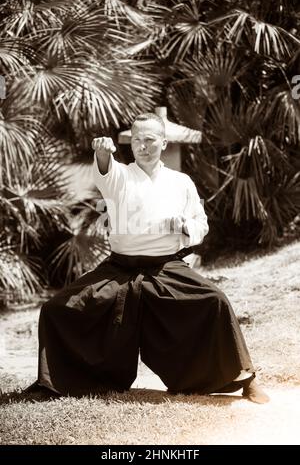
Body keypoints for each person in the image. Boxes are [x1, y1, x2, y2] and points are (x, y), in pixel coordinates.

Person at [30, 113, 269, 403]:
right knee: (56, 309)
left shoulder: (181, 182)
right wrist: (103, 153)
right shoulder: (120, 176)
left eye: (149, 140)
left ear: (164, 142)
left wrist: (183, 227)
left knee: (215, 301)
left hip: (166, 267)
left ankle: (243, 378)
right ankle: (52, 382)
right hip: (118, 268)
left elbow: (200, 224)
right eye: (136, 140)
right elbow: (105, 172)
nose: (142, 146)